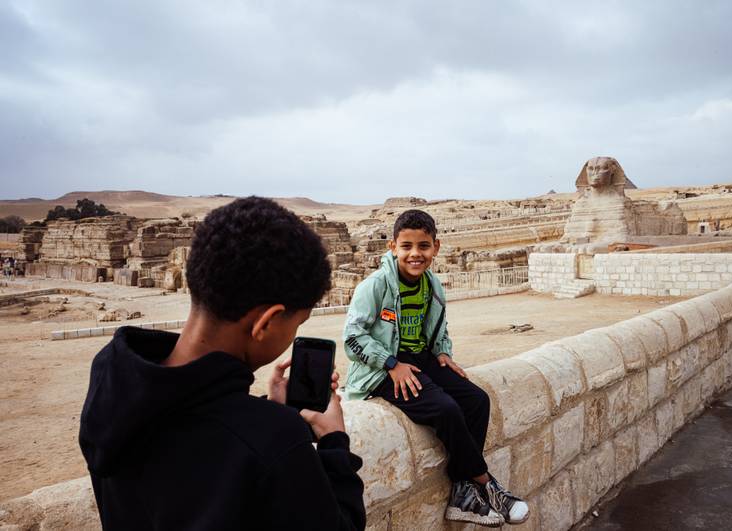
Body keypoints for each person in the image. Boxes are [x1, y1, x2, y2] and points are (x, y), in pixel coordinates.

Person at [79, 197, 366, 531]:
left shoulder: (110, 379)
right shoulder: (274, 439)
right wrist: (333, 440)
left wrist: (270, 411)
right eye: (296, 325)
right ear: (266, 323)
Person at [342, 210, 529, 528]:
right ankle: (486, 484)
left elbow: (439, 329)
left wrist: (443, 353)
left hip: (420, 359)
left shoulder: (432, 285)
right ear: (393, 247)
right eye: (407, 246)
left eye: (423, 246)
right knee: (445, 409)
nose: (415, 254)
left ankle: (461, 492)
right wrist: (391, 364)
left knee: (476, 400)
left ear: (436, 247)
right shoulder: (374, 287)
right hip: (382, 369)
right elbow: (352, 338)